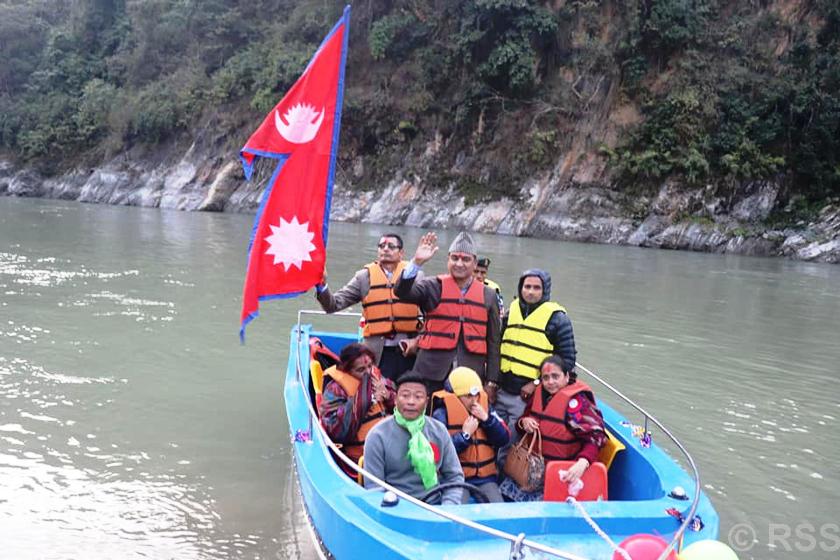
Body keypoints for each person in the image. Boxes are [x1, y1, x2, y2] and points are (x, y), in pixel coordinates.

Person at [394, 231, 501, 394]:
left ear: (474, 264)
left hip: (470, 375)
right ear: (448, 260)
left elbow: (493, 342)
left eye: (466, 259)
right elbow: (401, 292)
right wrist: (416, 263)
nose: (459, 263)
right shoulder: (432, 286)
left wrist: (492, 382)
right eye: (455, 258)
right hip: (429, 371)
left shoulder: (489, 295)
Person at [315, 233, 422, 380]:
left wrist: (418, 341)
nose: (385, 249)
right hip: (377, 352)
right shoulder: (364, 278)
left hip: (410, 350)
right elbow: (333, 305)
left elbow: (432, 315)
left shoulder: (416, 276)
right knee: (378, 394)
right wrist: (322, 286)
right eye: (382, 246)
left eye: (391, 246)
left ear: (401, 253)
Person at [499, 355, 606, 502]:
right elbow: (520, 426)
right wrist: (524, 422)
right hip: (532, 470)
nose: (550, 382)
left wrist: (583, 462)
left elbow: (596, 437)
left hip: (562, 473)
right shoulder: (538, 394)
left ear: (566, 376)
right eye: (546, 377)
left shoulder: (577, 403)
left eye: (555, 376)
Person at [494, 269, 576, 440]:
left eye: (536, 288)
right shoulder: (511, 312)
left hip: (527, 395)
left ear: (545, 290)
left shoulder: (558, 319)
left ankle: (509, 466)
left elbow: (567, 360)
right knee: (494, 434)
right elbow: (497, 347)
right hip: (502, 388)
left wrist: (536, 383)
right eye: (527, 286)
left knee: (512, 441)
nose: (530, 292)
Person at [363, 372, 465, 505]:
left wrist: (448, 507)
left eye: (418, 397)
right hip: (395, 509)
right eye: (405, 396)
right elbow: (374, 488)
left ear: (427, 402)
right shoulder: (377, 436)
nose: (411, 402)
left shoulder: (439, 431)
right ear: (395, 399)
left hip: (435, 507)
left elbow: (454, 477)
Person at [431, 367, 510, 503]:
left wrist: (487, 420)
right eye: (468, 396)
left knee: (499, 511)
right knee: (456, 512)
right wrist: (465, 435)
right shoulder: (441, 414)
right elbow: (438, 453)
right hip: (456, 478)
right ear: (456, 396)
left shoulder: (486, 410)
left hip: (486, 479)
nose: (474, 401)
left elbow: (503, 439)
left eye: (476, 395)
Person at [319, 343, 395, 477]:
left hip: (392, 447)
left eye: (370, 366)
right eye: (360, 370)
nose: (368, 372)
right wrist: (365, 399)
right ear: (346, 370)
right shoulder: (335, 389)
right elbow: (335, 430)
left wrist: (388, 396)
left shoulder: (377, 377)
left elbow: (404, 410)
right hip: (361, 458)